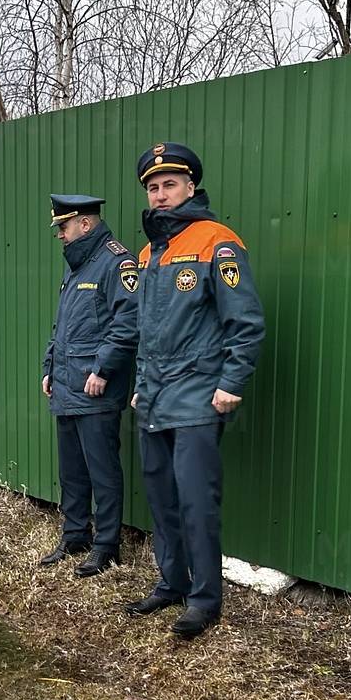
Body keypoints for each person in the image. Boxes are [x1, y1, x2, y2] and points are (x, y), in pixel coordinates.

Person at [127, 143, 265, 639]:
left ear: (190, 188)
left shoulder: (217, 242)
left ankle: (205, 599)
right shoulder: (149, 252)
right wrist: (141, 388)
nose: (160, 195)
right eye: (152, 187)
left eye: (169, 185)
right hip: (156, 398)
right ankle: (172, 582)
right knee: (161, 497)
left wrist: (231, 383)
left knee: (196, 501)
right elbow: (147, 330)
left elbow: (245, 321)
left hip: (199, 395)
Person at [39, 194, 139, 576]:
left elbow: (127, 324)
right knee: (72, 470)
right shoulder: (77, 265)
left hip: (96, 387)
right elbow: (63, 325)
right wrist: (50, 366)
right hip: (67, 384)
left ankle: (106, 546)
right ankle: (75, 535)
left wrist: (103, 370)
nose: (59, 235)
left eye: (63, 227)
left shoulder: (117, 263)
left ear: (84, 223)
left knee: (102, 470)